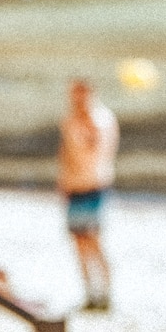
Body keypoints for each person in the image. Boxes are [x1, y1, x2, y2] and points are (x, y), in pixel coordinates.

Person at [58, 78, 119, 310]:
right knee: (78, 242)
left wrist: (84, 121)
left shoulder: (101, 120)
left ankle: (106, 293)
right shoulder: (70, 120)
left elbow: (95, 150)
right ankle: (90, 293)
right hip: (74, 188)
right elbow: (65, 153)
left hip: (94, 186)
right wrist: (62, 183)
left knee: (94, 240)